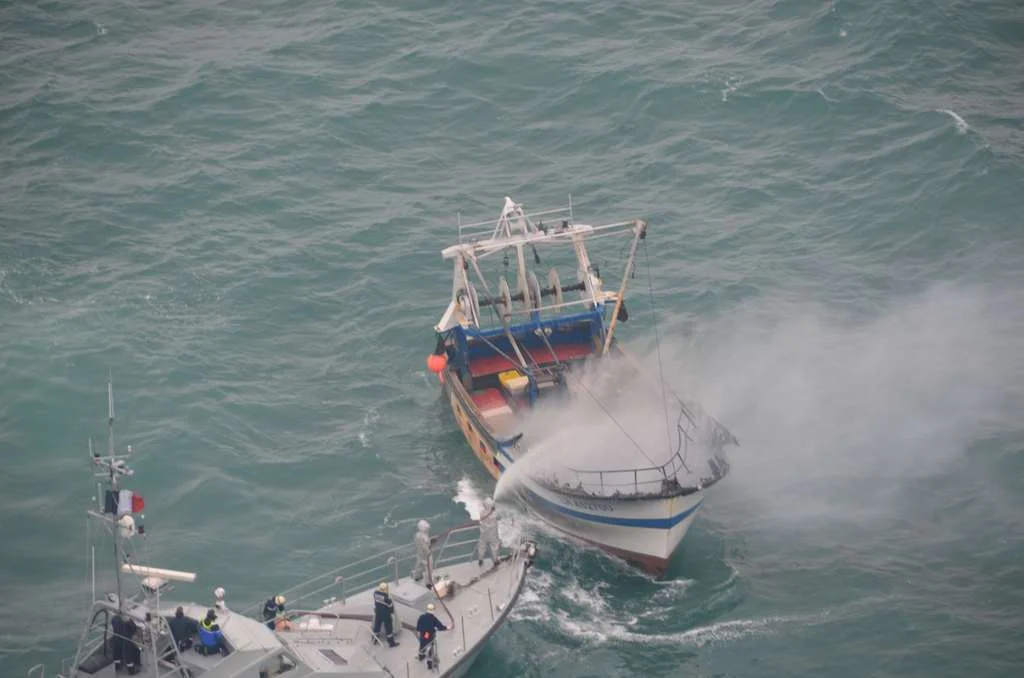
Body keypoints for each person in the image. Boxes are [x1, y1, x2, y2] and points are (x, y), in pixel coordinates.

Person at [415, 603, 448, 669]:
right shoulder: (433, 618)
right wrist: (447, 628)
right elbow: (440, 626)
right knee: (430, 650)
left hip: (423, 636)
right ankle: (430, 665)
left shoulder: (421, 617)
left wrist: (423, 630)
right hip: (430, 637)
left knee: (422, 646)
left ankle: (421, 657)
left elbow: (418, 628)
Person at [371, 582, 398, 647]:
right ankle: (391, 643)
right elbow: (391, 609)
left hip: (378, 613)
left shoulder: (375, 594)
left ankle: (374, 640)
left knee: (377, 627)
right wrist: (391, 614)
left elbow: (375, 603)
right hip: (386, 615)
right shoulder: (388, 599)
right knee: (389, 629)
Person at [476, 497, 501, 567]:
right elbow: (498, 516)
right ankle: (496, 561)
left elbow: (484, 516)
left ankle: (480, 560)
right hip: (492, 534)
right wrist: (493, 509)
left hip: (483, 533)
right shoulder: (494, 514)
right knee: (495, 546)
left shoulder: (481, 512)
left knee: (481, 546)